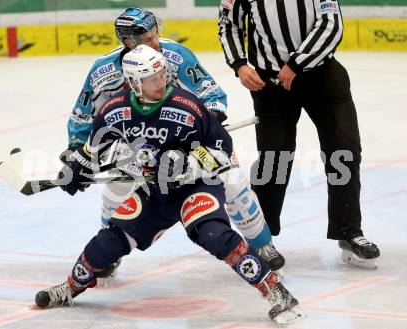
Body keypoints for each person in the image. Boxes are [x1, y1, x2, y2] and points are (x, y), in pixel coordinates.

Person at [35, 45, 303, 324]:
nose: (161, 82)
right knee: (109, 240)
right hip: (155, 191)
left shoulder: (188, 106)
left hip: (196, 185)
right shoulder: (114, 110)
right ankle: (69, 288)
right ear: (133, 83)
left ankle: (276, 291)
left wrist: (189, 164)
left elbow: (222, 152)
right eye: (153, 79)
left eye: (162, 75)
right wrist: (76, 169)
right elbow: (94, 149)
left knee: (214, 235)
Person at [65, 6, 285, 278]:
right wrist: (78, 153)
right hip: (138, 152)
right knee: (114, 194)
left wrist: (199, 128)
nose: (155, 43)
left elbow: (212, 95)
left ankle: (263, 246)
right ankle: (107, 255)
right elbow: (82, 118)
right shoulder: (103, 72)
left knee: (233, 184)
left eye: (155, 35)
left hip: (192, 147)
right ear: (127, 42)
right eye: (147, 40)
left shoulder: (176, 56)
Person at [218, 0, 380, 268]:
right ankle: (261, 238)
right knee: (274, 157)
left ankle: (349, 231)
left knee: (344, 152)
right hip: (271, 83)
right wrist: (239, 64)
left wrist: (295, 65)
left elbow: (331, 24)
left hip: (323, 76)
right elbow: (229, 25)